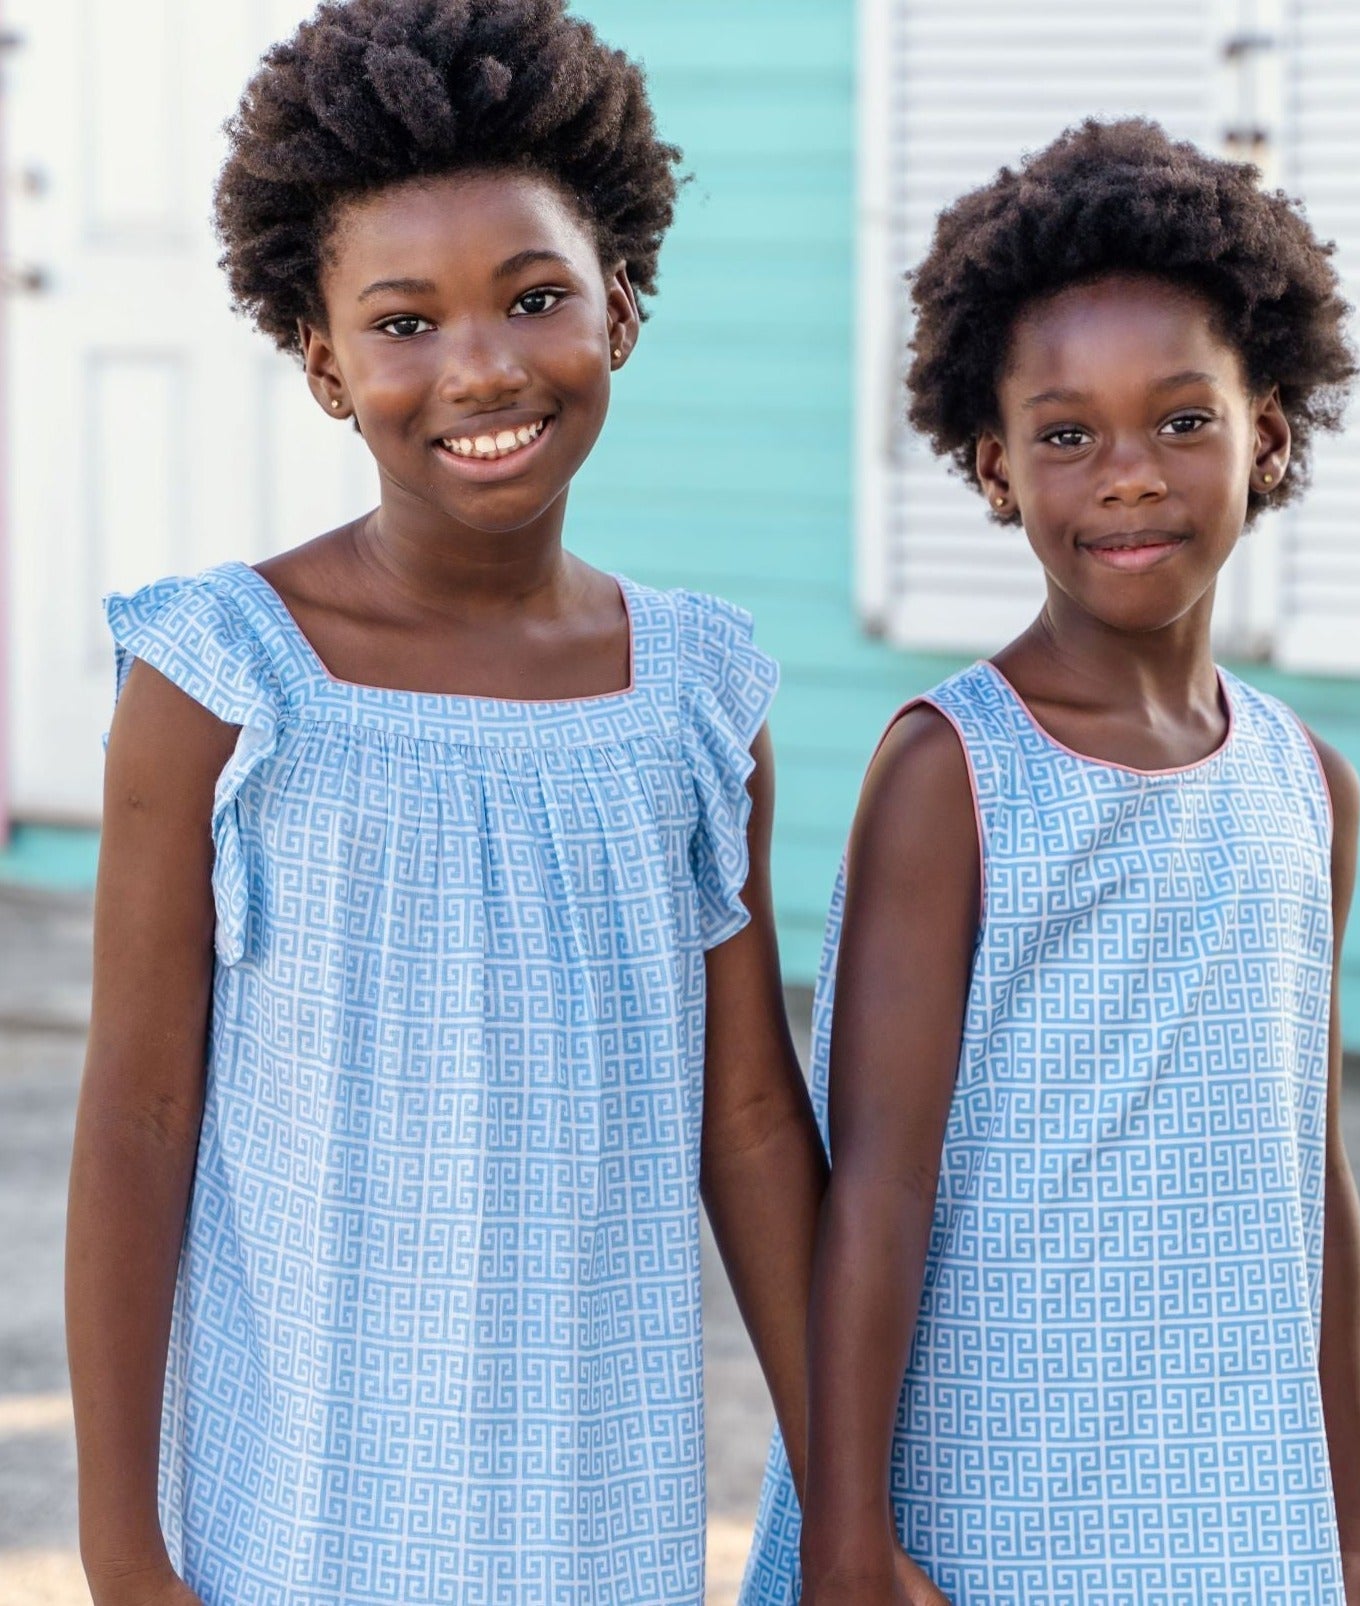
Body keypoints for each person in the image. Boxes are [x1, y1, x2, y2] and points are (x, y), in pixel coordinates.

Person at [65, 3, 830, 1602]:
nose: (480, 364)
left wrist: (846, 1492)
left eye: (534, 297)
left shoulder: (693, 700)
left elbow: (750, 1120)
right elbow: (138, 1120)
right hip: (302, 1506)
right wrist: (124, 1547)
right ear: (324, 357)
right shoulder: (221, 684)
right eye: (404, 321)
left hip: (591, 1500)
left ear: (619, 312)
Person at [742, 118, 1360, 1605]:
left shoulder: (1307, 789)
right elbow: (878, 1191)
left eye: (1181, 420)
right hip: (989, 1498)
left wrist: (1350, 1528)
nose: (1126, 476)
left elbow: (1311, 1183)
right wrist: (848, 1532)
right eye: (1064, 433)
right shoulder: (951, 775)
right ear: (991, 466)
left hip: (1225, 1510)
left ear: (1269, 434)